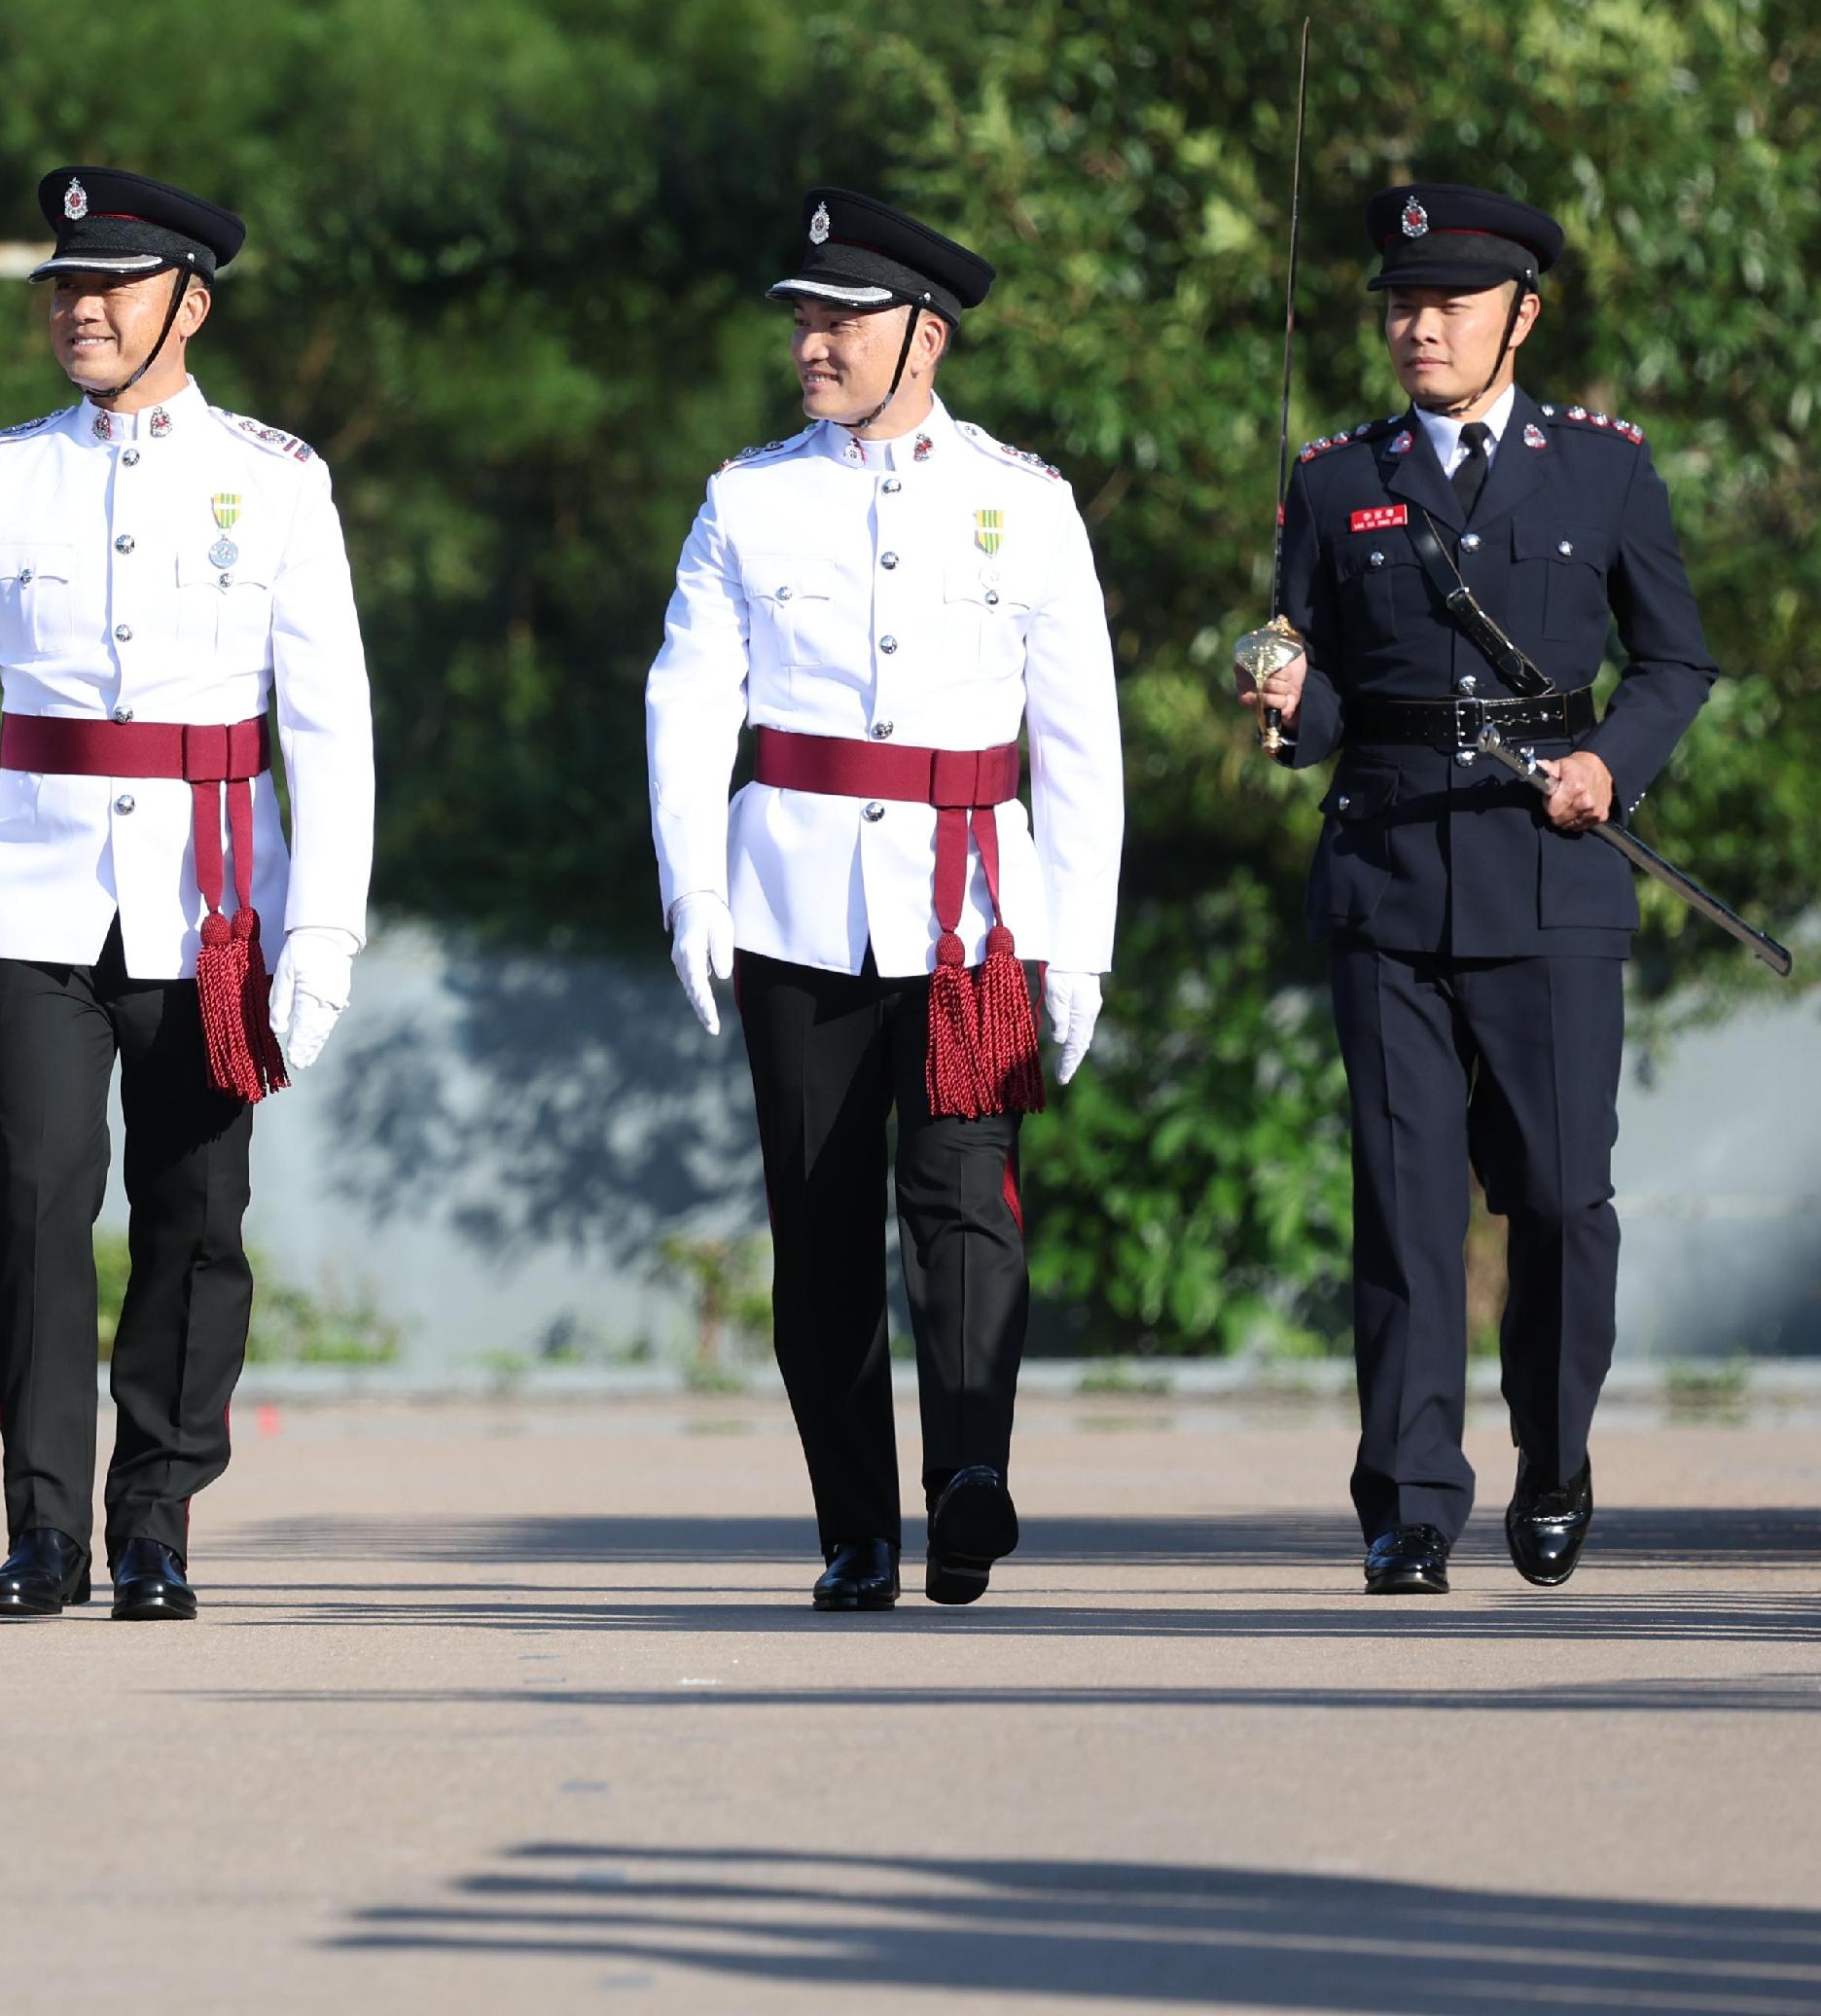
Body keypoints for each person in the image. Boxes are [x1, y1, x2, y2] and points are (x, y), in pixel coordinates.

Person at [0, 169, 373, 1624]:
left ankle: (154, 1515)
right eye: (64, 284)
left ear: (189, 304)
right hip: (34, 893)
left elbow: (329, 722)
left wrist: (326, 923)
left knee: (196, 1211)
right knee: (34, 1195)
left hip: (214, 900)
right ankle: (44, 1529)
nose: (79, 306)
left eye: (112, 283)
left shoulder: (277, 479)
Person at [642, 188, 1121, 1612]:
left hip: (971, 906)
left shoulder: (1023, 505)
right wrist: (691, 888)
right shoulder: (748, 499)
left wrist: (1076, 947)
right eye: (803, 315)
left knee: (964, 1193)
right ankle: (854, 1525)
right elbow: (688, 700)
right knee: (822, 1220)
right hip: (793, 906)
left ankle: (969, 1476)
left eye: (840, 318)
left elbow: (1079, 735)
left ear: (926, 333)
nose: (812, 342)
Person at [1234, 183, 1714, 1596]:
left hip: (1551, 881)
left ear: (1523, 314)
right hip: (1387, 879)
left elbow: (1674, 661)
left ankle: (1553, 1459)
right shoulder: (1335, 480)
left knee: (1563, 1201)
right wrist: (1281, 697)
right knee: (1404, 1204)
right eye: (1399, 301)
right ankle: (1410, 1504)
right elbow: (1316, 694)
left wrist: (1612, 769)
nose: (1416, 324)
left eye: (1445, 300)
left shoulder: (1603, 472)